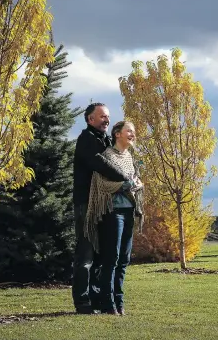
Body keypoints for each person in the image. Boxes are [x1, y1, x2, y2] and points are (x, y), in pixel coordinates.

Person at [72, 103, 129, 315]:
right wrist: (124, 177)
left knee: (101, 254)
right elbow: (100, 164)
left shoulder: (105, 140)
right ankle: (83, 302)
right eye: (102, 116)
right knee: (86, 254)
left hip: (103, 204)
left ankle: (96, 298)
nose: (106, 119)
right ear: (90, 120)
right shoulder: (86, 139)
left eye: (108, 116)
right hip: (86, 205)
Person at [85, 121, 144, 316]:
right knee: (112, 258)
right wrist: (126, 185)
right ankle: (107, 304)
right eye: (129, 130)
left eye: (133, 132)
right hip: (113, 212)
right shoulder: (107, 156)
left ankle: (119, 302)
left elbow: (133, 181)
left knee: (124, 260)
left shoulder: (129, 157)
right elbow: (101, 184)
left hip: (129, 211)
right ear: (117, 134)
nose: (132, 134)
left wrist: (136, 184)